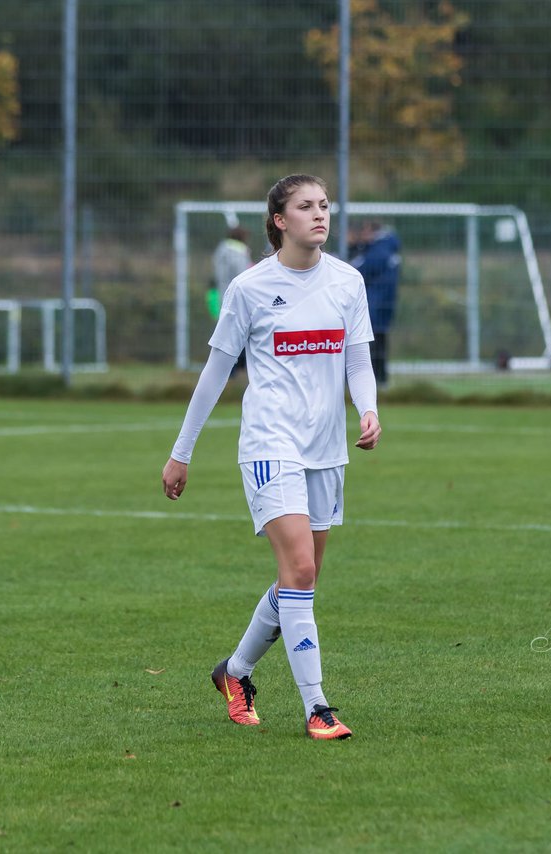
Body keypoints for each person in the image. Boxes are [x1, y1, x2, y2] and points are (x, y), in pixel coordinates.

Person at [162, 174, 381, 741]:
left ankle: (234, 673)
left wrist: (368, 410)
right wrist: (180, 453)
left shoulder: (347, 282)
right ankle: (318, 708)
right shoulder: (251, 288)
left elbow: (358, 359)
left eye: (325, 205)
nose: (320, 214)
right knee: (301, 572)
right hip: (269, 445)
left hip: (326, 450)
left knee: (298, 582)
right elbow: (215, 374)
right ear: (279, 220)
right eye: (305, 206)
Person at [349, 220, 402, 386]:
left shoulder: (379, 251)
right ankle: (380, 379)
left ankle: (375, 380)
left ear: (372, 232)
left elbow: (356, 271)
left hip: (375, 304)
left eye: (364, 232)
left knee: (372, 344)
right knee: (379, 342)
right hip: (382, 303)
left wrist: (352, 249)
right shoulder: (387, 247)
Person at [208, 225, 252, 375]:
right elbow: (243, 276)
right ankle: (233, 372)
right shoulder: (236, 253)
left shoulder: (222, 251)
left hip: (223, 298)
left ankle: (230, 372)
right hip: (237, 301)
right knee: (238, 338)